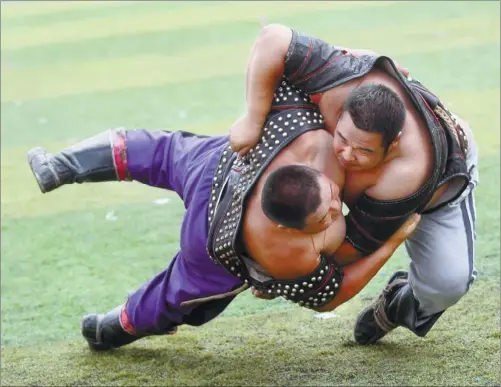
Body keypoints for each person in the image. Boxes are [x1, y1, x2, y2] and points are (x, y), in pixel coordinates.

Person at [27, 81, 419, 351]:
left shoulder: (308, 136)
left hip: (215, 168)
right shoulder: (286, 254)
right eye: (327, 214)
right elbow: (332, 296)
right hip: (215, 246)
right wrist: (392, 241)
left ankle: (61, 166)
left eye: (333, 198)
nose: (338, 209)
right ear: (289, 229)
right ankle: (107, 329)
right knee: (174, 295)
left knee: (160, 150)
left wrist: (253, 117)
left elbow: (279, 50)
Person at [230, 24, 478, 345]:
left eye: (363, 150)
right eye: (343, 139)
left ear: (393, 145)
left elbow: (351, 249)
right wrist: (253, 118)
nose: (347, 155)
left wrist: (285, 271)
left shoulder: (404, 176)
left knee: (447, 285)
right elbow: (273, 38)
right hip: (370, 96)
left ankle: (396, 305)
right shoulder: (341, 81)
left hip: (440, 185)